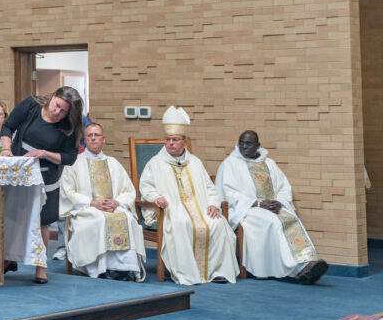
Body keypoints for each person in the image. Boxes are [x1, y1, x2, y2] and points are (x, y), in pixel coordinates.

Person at [139, 106, 239, 285]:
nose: (170, 143)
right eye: (168, 139)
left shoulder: (195, 162)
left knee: (218, 223)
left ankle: (218, 272)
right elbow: (146, 187)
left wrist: (214, 205)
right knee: (180, 222)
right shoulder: (155, 163)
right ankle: (182, 271)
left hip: (199, 207)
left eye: (175, 140)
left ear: (184, 142)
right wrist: (156, 198)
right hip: (171, 208)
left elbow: (210, 188)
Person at [216, 130, 328, 283]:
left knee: (291, 219)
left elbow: (283, 187)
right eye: (241, 143)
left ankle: (306, 262)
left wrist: (279, 202)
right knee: (274, 222)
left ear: (258, 145)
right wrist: (258, 203)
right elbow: (229, 193)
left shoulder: (269, 163)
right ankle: (295, 269)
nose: (243, 146)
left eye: (248, 144)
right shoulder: (230, 164)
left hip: (271, 207)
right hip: (246, 210)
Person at [0, 86, 84, 284]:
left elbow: (69, 158)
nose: (57, 112)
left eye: (64, 111)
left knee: (42, 222)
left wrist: (44, 153)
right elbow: (8, 127)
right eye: (57, 106)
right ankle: (8, 258)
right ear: (52, 97)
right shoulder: (31, 105)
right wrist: (6, 149)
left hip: (47, 176)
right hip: (20, 170)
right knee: (13, 216)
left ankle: (41, 266)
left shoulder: (69, 126)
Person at [60, 122, 146, 281]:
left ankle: (126, 268)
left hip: (112, 206)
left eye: (96, 135)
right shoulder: (74, 163)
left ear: (103, 140)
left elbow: (129, 190)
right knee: (99, 219)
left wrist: (117, 202)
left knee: (126, 217)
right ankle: (99, 268)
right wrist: (92, 202)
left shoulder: (113, 163)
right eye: (89, 136)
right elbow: (67, 191)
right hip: (86, 209)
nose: (93, 139)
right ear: (84, 140)